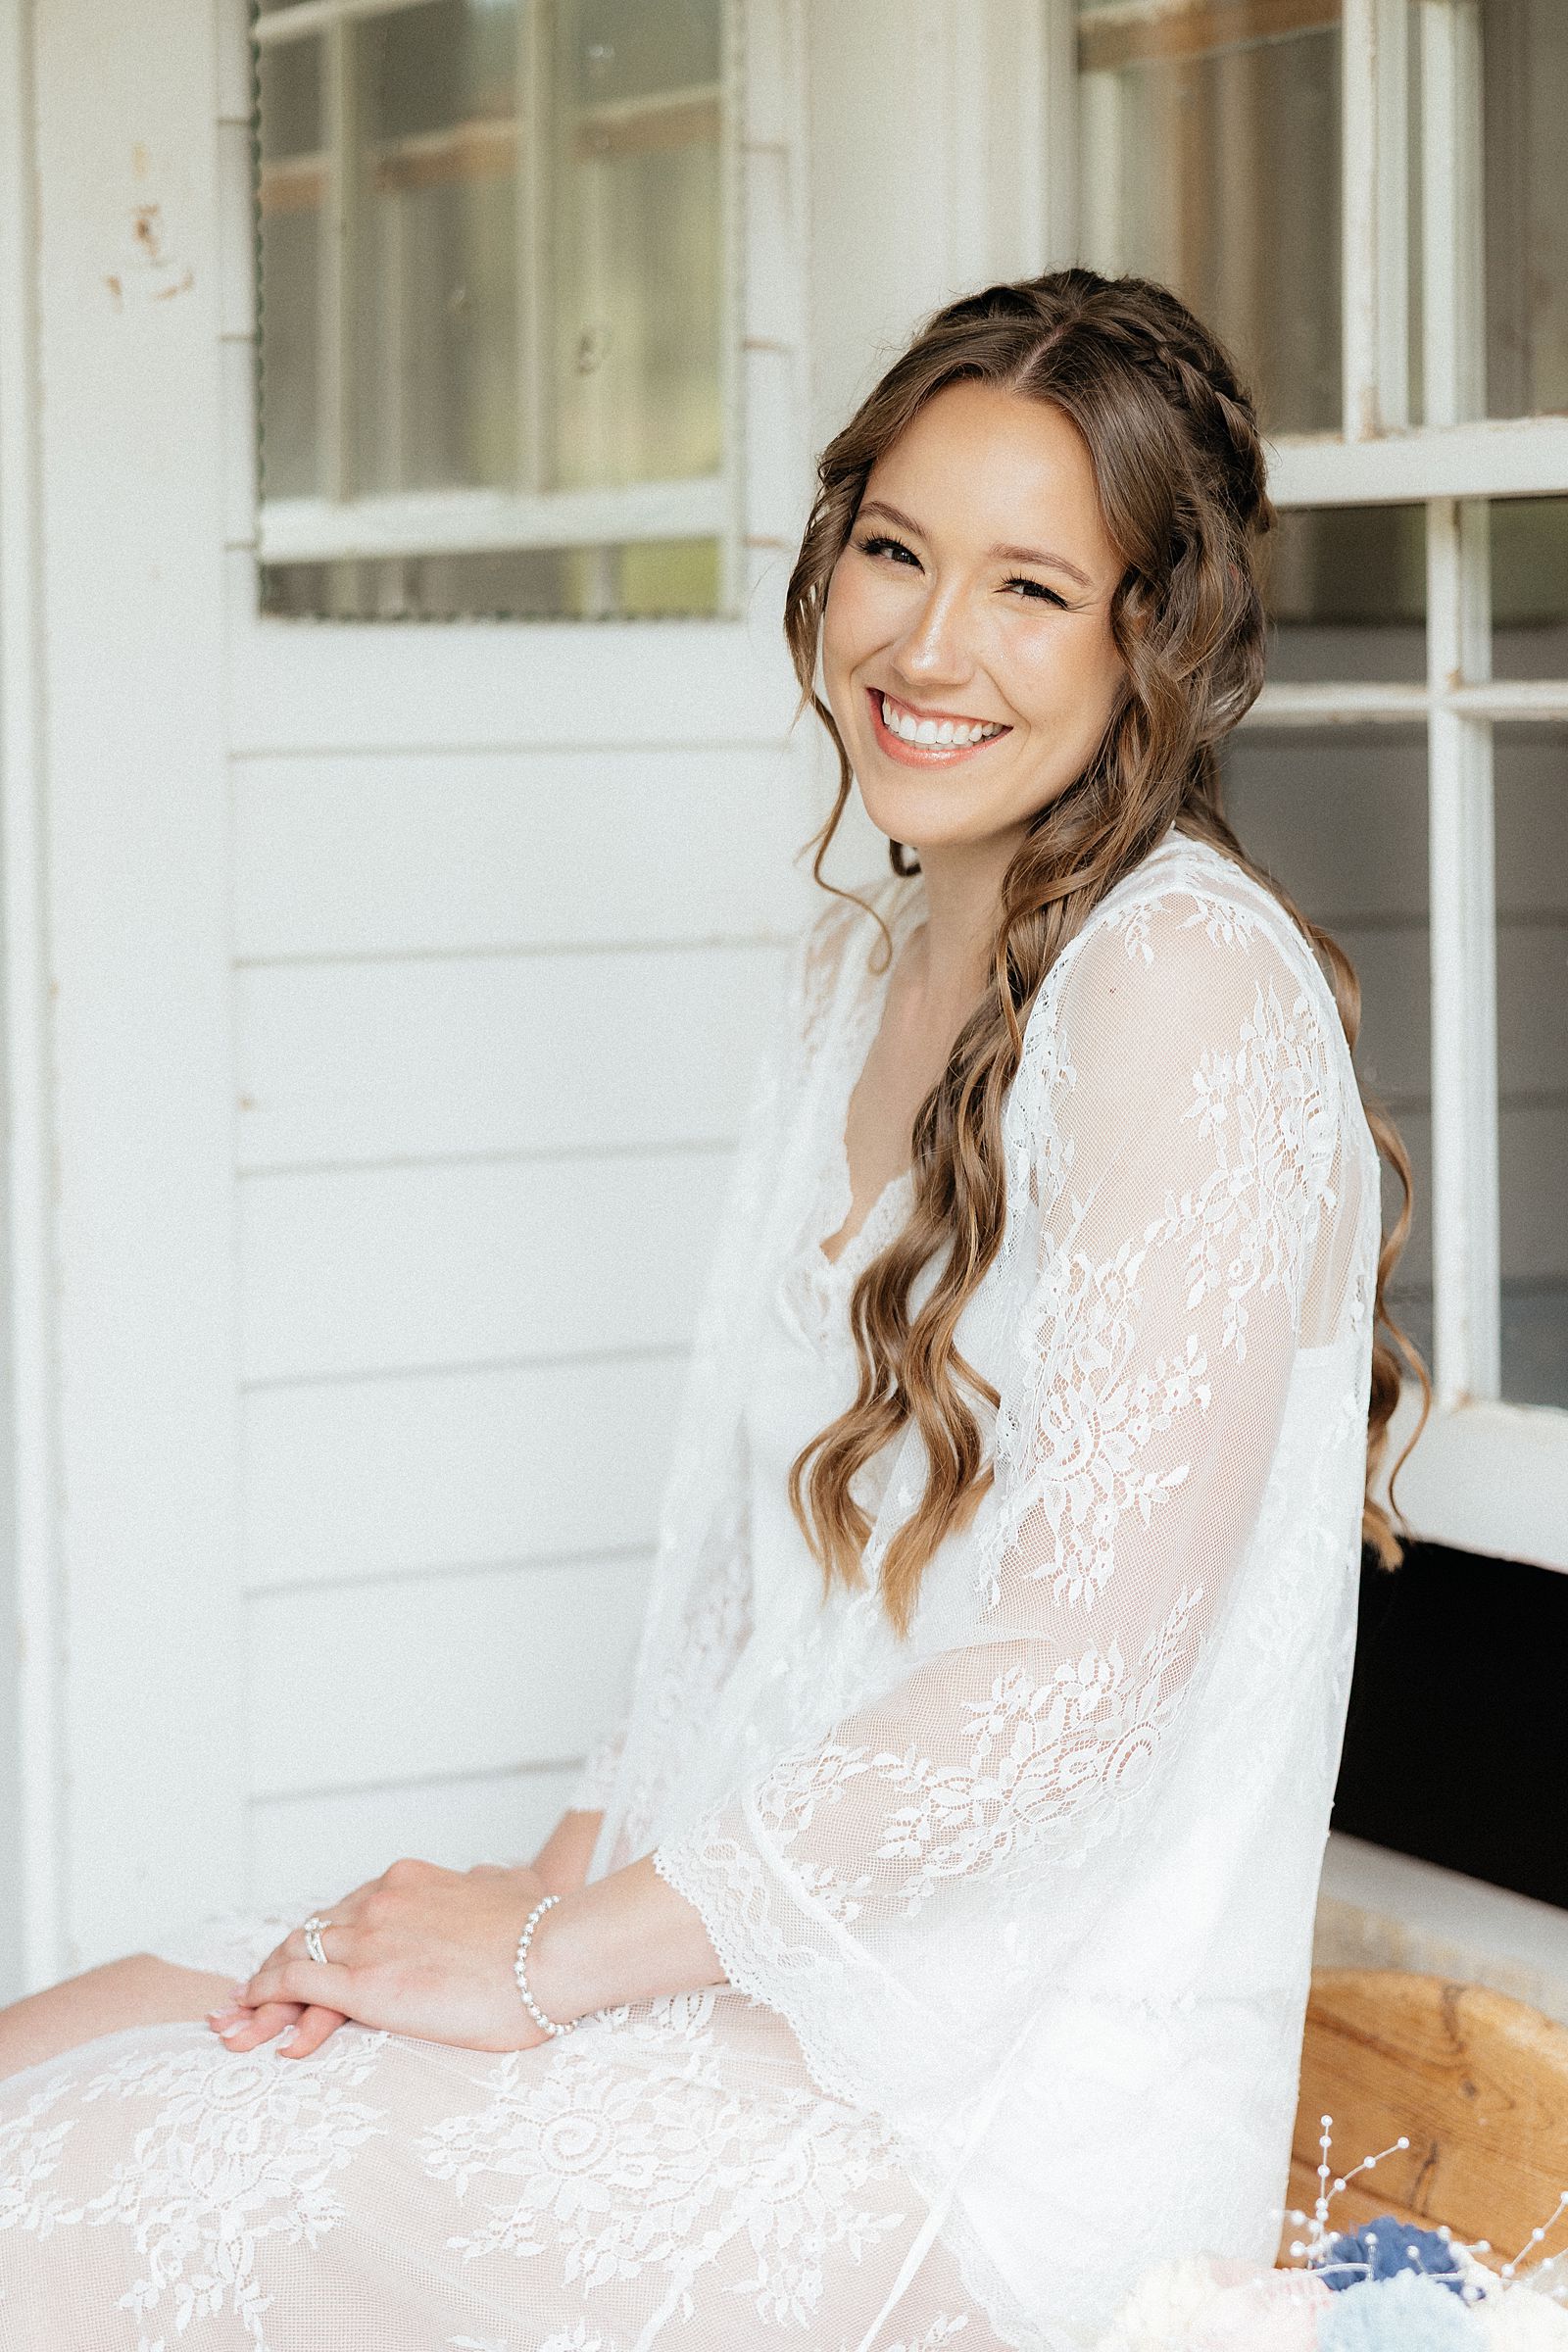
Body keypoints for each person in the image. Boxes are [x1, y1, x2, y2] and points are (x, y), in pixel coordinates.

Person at [0, 269, 1422, 2351]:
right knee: (84, 2039)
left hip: (974, 2114)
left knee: (111, 2184)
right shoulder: (853, 976)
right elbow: (721, 1611)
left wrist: (541, 1970)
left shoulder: (1181, 987)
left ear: (1156, 640)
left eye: (1029, 588)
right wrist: (519, 1910)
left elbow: (1070, 1692)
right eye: (893, 552)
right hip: (715, 1970)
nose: (924, 648)